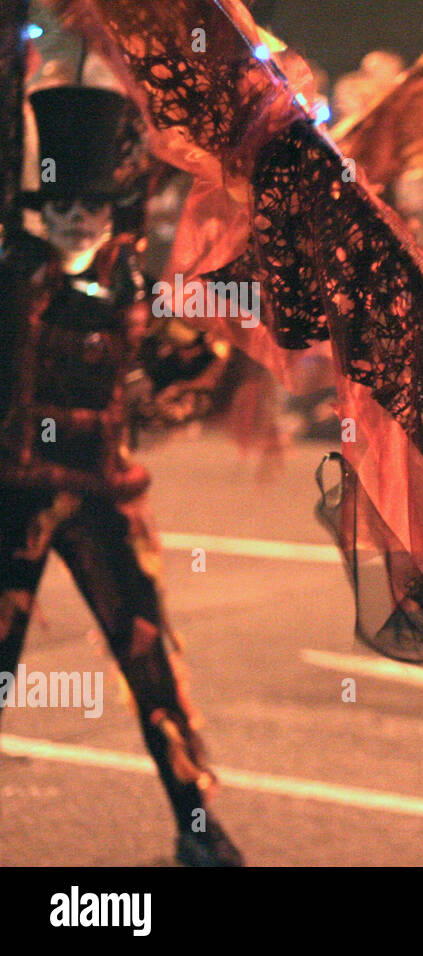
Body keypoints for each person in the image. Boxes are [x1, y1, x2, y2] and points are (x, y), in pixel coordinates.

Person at [0, 86, 241, 866]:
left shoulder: (133, 287)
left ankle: (197, 823)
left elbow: (198, 364)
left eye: (94, 204)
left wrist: (214, 330)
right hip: (15, 499)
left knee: (152, 665)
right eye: (65, 202)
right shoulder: (10, 280)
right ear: (41, 206)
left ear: (112, 210)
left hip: (105, 500)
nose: (79, 217)